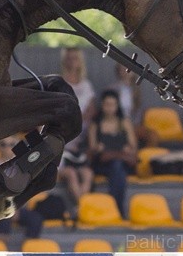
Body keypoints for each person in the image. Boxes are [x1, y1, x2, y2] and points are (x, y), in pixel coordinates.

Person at [0, 137, 45, 245]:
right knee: (4, 220)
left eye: (11, 144)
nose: (8, 148)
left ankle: (28, 248)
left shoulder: (22, 165)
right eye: (3, 144)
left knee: (36, 219)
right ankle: (2, 248)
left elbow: (25, 189)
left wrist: (16, 207)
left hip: (17, 206)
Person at [87, 89, 137, 215]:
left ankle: (115, 206)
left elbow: (133, 146)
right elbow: (92, 147)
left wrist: (128, 149)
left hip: (121, 161)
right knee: (118, 170)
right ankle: (118, 208)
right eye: (107, 104)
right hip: (102, 163)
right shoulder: (95, 124)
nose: (110, 108)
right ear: (102, 105)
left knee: (118, 167)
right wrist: (97, 148)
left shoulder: (124, 122)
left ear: (117, 105)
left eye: (113, 104)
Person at [58, 48, 96, 203]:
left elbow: (91, 110)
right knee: (72, 174)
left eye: (75, 58)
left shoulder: (87, 85)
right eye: (69, 58)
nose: (72, 61)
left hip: (82, 134)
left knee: (87, 174)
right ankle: (82, 207)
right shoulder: (60, 82)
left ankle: (83, 205)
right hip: (65, 132)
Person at [106, 62, 158, 147]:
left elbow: (140, 111)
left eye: (128, 69)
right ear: (118, 72)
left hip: (134, 124)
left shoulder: (136, 91)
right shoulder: (112, 89)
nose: (126, 72)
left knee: (152, 135)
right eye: (123, 69)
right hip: (118, 124)